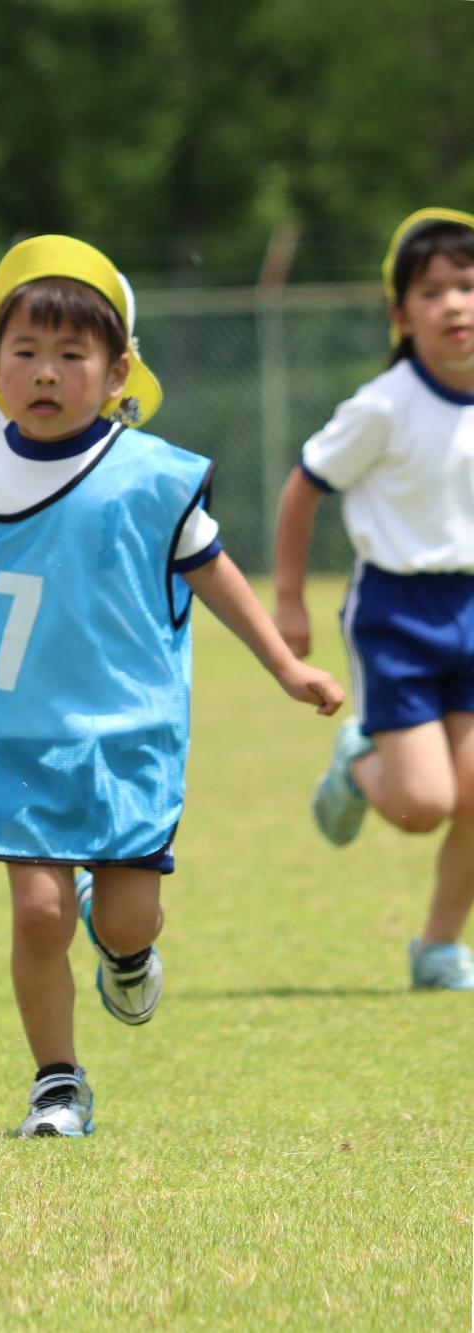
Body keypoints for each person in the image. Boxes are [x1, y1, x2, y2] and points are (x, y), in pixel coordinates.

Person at [0, 237, 343, 1136]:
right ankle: (58, 1079)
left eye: (71, 355)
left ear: (118, 374)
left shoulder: (149, 480)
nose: (46, 373)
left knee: (123, 919)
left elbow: (215, 573)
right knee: (37, 913)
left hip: (124, 732)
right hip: (13, 730)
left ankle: (125, 950)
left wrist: (286, 664)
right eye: (25, 354)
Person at [276, 208, 474, 992]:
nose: (454, 305)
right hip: (397, 614)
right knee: (424, 804)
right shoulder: (384, 405)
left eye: (467, 286)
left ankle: (438, 946)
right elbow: (303, 487)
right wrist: (289, 598)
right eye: (432, 292)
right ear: (401, 315)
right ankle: (358, 763)